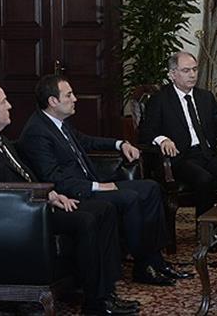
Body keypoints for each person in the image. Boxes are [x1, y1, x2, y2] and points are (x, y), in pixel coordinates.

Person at [0, 79, 138, 316]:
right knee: (86, 219)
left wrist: (51, 194)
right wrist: (41, 198)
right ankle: (96, 302)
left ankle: (106, 291)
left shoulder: (1, 139)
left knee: (104, 209)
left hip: (32, 207)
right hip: (12, 217)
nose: (10, 106)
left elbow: (24, 174)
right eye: (3, 102)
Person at [18, 74, 191, 287]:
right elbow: (53, 179)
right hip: (77, 193)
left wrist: (120, 143)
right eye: (69, 95)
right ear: (53, 101)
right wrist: (98, 186)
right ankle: (144, 265)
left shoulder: (59, 123)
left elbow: (87, 141)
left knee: (151, 188)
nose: (75, 99)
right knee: (130, 197)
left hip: (92, 184)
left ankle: (155, 260)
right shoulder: (37, 132)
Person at [137, 51, 217, 216]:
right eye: (186, 70)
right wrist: (163, 140)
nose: (192, 74)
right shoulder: (160, 100)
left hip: (207, 155)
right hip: (180, 158)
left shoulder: (205, 97)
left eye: (194, 69)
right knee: (204, 179)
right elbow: (146, 132)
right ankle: (205, 226)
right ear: (172, 74)